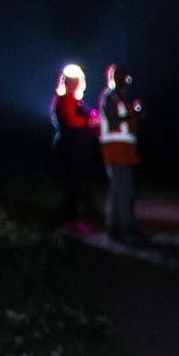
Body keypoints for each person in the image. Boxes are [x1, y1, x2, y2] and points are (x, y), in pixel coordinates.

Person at [97, 63, 147, 243]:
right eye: (122, 78)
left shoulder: (120, 99)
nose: (125, 82)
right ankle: (126, 228)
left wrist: (136, 115)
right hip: (115, 149)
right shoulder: (110, 97)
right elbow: (113, 121)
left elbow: (129, 125)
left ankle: (115, 228)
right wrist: (133, 113)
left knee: (120, 189)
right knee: (124, 189)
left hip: (124, 149)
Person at [49, 64, 102, 231]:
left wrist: (93, 123)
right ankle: (71, 220)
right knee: (73, 183)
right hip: (70, 147)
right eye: (75, 80)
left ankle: (77, 217)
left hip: (75, 146)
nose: (78, 83)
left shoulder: (73, 100)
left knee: (78, 183)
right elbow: (71, 122)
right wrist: (89, 122)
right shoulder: (65, 99)